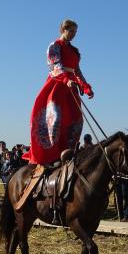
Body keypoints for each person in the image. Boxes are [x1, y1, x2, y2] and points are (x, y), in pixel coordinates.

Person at [23, 19, 94, 165]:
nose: (74, 34)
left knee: (75, 120)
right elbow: (56, 65)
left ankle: (67, 152)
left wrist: (86, 86)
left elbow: (77, 71)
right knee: (55, 119)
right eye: (71, 31)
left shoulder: (74, 51)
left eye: (76, 32)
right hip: (57, 86)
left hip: (71, 88)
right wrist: (66, 80)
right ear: (64, 30)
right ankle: (50, 156)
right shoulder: (54, 46)